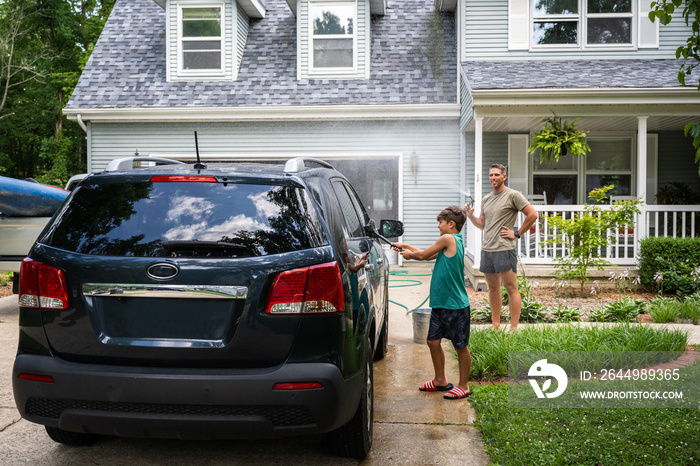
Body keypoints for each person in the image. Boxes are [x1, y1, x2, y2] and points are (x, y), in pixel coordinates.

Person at [391, 206, 473, 400]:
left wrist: (410, 255)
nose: (438, 226)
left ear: (450, 224)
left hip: (455, 305)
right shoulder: (453, 242)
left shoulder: (449, 239)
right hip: (441, 304)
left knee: (460, 346)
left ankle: (464, 385)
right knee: (432, 342)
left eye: (440, 223)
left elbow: (422, 256)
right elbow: (427, 253)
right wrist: (407, 247)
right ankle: (440, 380)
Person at [464, 164, 538, 332]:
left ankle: (513, 328)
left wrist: (517, 233)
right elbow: (482, 225)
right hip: (487, 249)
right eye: (491, 175)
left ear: (504, 177)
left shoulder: (513, 195)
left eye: (496, 175)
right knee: (493, 289)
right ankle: (496, 325)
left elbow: (532, 214)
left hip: (504, 248)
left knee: (511, 289)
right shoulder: (486, 199)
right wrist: (470, 216)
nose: (493, 178)